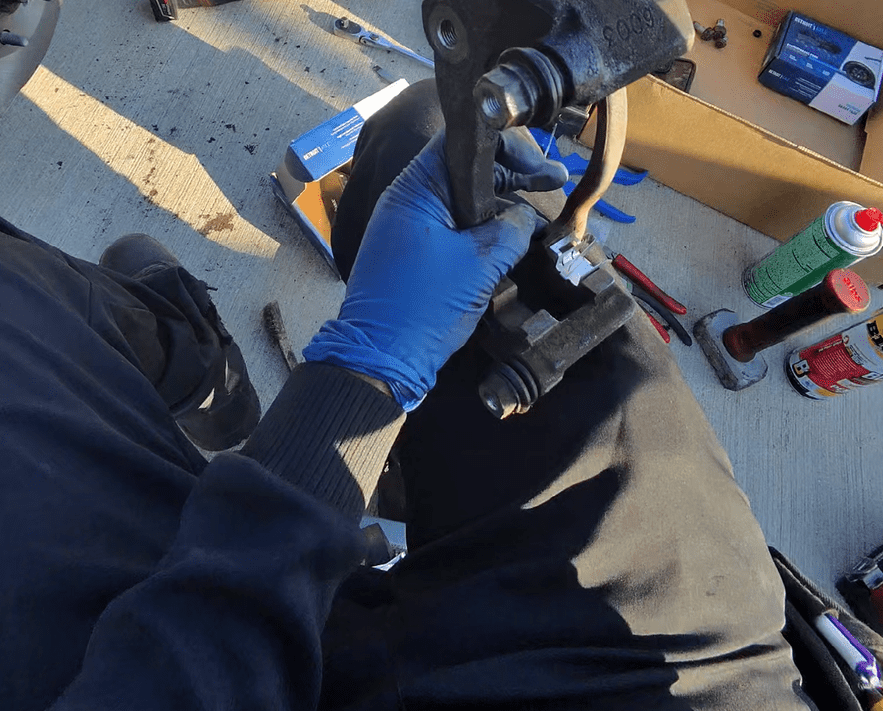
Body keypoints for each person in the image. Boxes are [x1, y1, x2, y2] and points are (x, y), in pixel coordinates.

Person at [1, 79, 816, 710]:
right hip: (674, 677)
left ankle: (194, 374)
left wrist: (369, 367)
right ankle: (205, 378)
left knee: (16, 303)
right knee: (433, 137)